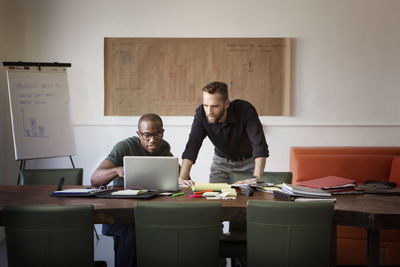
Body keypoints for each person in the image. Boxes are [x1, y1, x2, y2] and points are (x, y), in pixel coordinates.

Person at [91, 113, 172, 267]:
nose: (153, 140)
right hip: (121, 214)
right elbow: (95, 179)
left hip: (151, 209)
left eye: (157, 134)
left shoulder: (164, 147)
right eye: (147, 135)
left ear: (163, 132)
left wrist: (182, 176)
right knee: (134, 228)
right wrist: (116, 170)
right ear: (139, 134)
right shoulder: (125, 147)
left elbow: (174, 169)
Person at [179, 81, 269, 186]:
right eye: (206, 105)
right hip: (220, 164)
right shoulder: (201, 114)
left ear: (226, 104)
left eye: (215, 106)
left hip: (248, 164)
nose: (209, 111)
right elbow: (192, 145)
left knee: (246, 199)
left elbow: (259, 145)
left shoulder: (245, 110)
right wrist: (182, 178)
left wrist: (255, 178)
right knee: (215, 199)